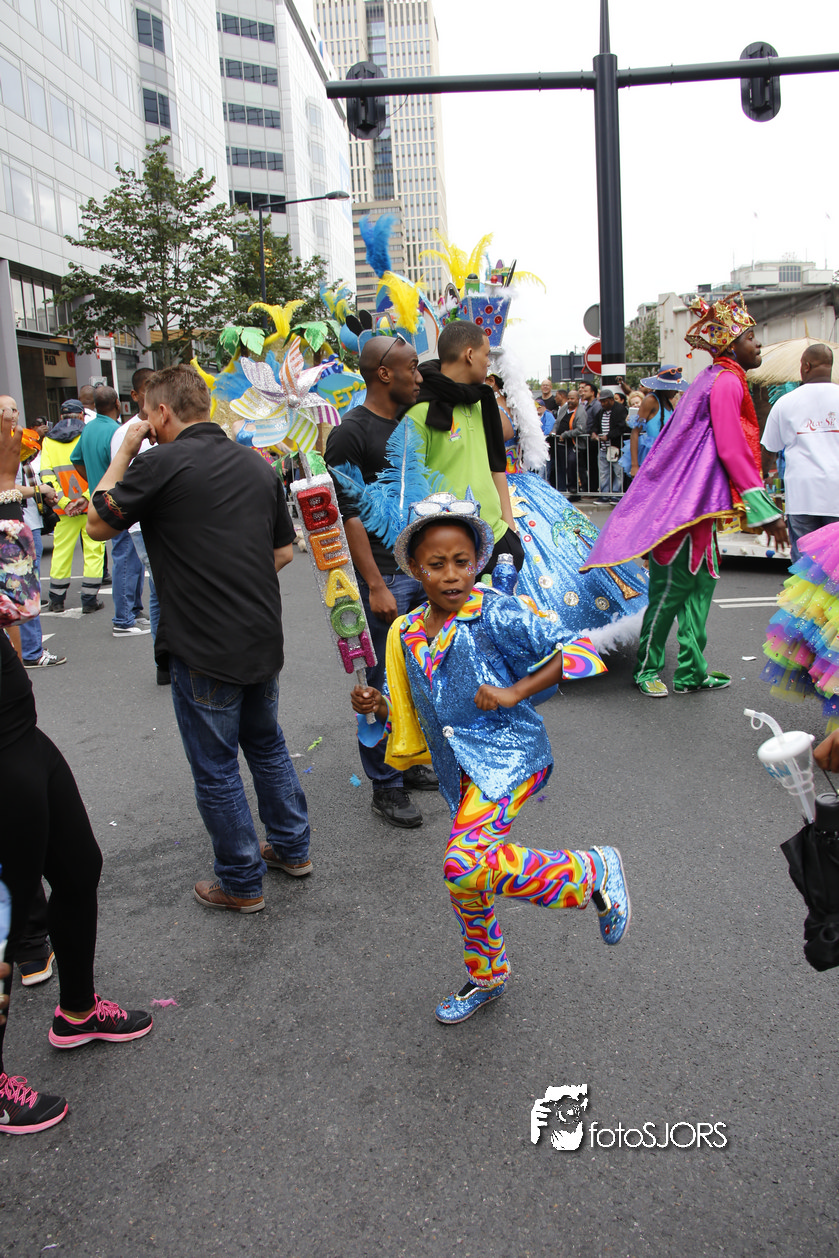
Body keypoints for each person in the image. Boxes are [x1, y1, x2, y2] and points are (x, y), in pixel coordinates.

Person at [351, 495, 630, 1024]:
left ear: (477, 561)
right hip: (461, 772)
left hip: (511, 757)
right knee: (466, 878)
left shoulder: (496, 612)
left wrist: (515, 691)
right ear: (415, 569)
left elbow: (579, 648)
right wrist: (376, 705)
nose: (451, 575)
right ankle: (487, 975)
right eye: (437, 564)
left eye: (462, 561)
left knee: (463, 863)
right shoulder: (407, 632)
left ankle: (589, 870)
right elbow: (406, 708)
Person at [86, 365, 311, 913]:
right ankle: (292, 848)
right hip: (260, 633)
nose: (145, 424)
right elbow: (283, 551)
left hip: (202, 642)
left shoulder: (157, 462)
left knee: (216, 766)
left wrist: (126, 450)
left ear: (162, 412)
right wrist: (236, 581)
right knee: (266, 744)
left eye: (147, 414)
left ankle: (240, 880)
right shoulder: (255, 464)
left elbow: (98, 522)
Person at [0, 404, 152, 1134]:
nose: (11, 429)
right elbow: (21, 595)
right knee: (6, 915)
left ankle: (78, 1010)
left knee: (78, 865)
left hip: (18, 731)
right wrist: (9, 482)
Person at [581, 293, 788, 697]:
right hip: (683, 510)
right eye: (750, 337)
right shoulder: (724, 380)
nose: (758, 343)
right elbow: (731, 447)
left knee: (700, 588)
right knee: (672, 590)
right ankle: (647, 667)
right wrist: (764, 509)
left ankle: (692, 671)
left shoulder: (719, 378)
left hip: (698, 508)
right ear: (731, 345)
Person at [325, 335, 438, 830]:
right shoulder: (348, 433)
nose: (419, 376)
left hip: (415, 574)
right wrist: (374, 584)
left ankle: (406, 760)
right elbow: (347, 517)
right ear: (384, 373)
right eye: (412, 367)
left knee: (414, 677)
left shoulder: (408, 425)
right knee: (376, 682)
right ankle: (385, 785)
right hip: (383, 578)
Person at [489, 364, 648, 646]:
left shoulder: (491, 403)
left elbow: (500, 440)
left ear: (492, 379)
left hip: (505, 484)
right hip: (520, 482)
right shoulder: (511, 403)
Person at [403, 321, 523, 573]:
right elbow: (408, 488)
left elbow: (497, 468)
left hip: (497, 536)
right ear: (469, 354)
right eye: (486, 355)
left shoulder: (483, 403)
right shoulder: (419, 411)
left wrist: (510, 530)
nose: (488, 363)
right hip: (448, 551)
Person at [73, 386, 150, 638]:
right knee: (127, 561)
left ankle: (133, 611)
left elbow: (76, 459)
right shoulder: (117, 431)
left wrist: (94, 482)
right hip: (118, 503)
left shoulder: (89, 429)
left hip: (101, 500)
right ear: (118, 403)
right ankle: (124, 618)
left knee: (127, 561)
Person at [760, 344, 839, 563]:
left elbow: (769, 450)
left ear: (806, 366)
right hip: (837, 495)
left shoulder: (785, 403)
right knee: (835, 567)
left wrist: (762, 478)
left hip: (802, 497)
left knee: (806, 566)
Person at [39, 399, 106, 614]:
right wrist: (85, 497)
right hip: (89, 505)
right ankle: (89, 600)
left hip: (63, 510)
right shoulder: (87, 435)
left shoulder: (49, 440)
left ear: (60, 417)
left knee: (61, 552)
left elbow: (46, 475)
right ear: (82, 416)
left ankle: (57, 599)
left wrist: (64, 501)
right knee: (94, 551)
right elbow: (97, 470)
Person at [11, 412, 65, 668]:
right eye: (6, 411)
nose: (13, 416)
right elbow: (6, 486)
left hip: (28, 522)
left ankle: (27, 650)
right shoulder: (7, 449)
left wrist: (44, 493)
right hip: (16, 525)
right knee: (24, 590)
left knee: (24, 590)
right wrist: (38, 490)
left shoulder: (22, 447)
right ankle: (31, 651)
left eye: (14, 410)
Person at [626, 366, 688, 480]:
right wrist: (634, 465)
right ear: (665, 387)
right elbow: (635, 432)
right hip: (651, 456)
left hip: (666, 456)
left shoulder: (668, 403)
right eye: (673, 388)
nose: (676, 391)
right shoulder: (651, 400)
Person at [593, 388, 630, 502]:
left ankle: (616, 494)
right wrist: (594, 433)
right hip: (603, 447)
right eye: (601, 401)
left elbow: (622, 427)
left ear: (611, 400)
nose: (603, 404)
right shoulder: (601, 412)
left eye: (604, 401)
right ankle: (605, 494)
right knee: (604, 472)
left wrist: (608, 436)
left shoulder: (620, 410)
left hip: (615, 447)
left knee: (617, 472)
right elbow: (595, 425)